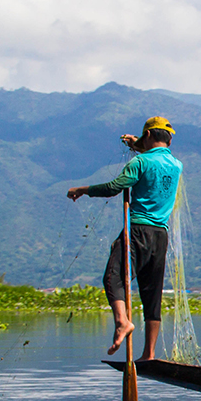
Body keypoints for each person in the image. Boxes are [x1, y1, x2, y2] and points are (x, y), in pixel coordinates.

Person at [67, 117, 182, 359]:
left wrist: (82, 190)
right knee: (153, 293)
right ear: (169, 139)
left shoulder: (140, 162)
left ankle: (122, 322)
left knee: (113, 278)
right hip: (161, 235)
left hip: (137, 230)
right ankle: (149, 353)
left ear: (148, 135)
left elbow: (114, 187)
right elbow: (157, 155)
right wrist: (138, 144)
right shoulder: (176, 165)